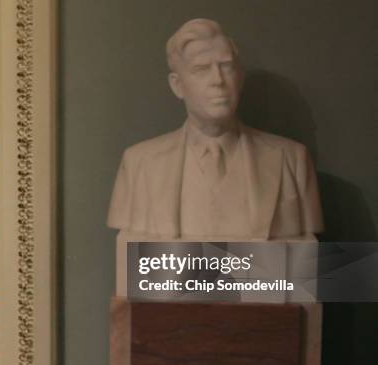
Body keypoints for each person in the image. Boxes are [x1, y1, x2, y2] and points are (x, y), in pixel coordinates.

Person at [107, 19, 323, 240]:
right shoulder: (140, 164)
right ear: (177, 85)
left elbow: (304, 253)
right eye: (201, 69)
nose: (218, 80)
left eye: (227, 66)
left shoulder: (291, 159)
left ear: (239, 78)